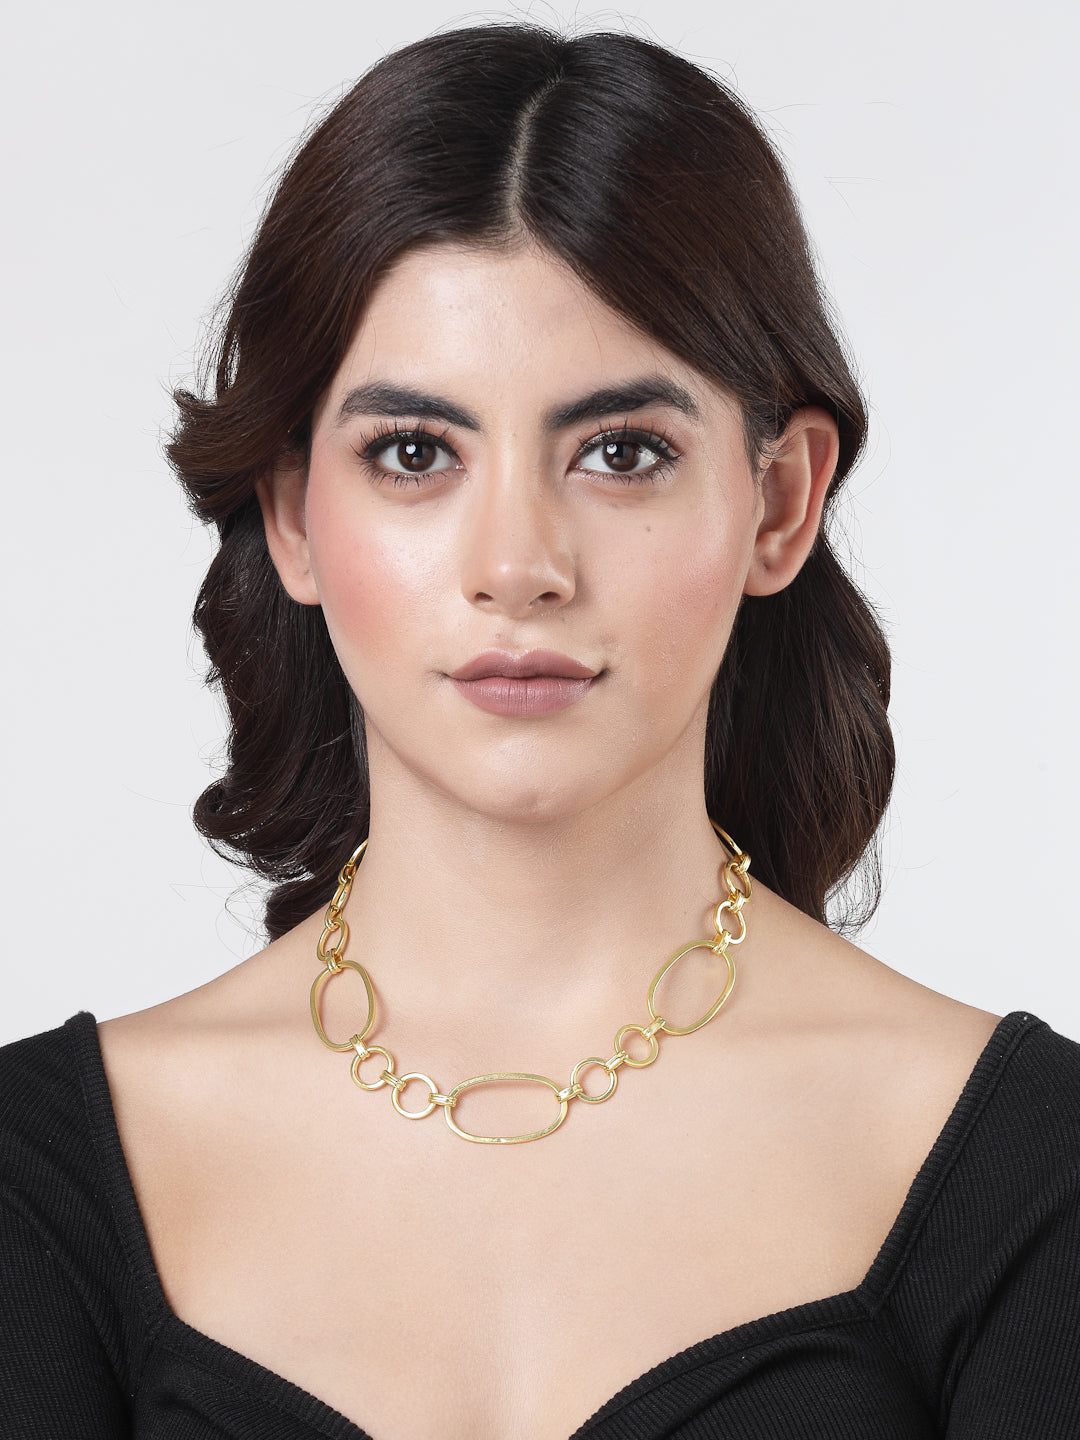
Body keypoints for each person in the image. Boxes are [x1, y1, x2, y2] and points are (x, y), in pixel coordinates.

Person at [2, 21, 1078, 1440]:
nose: (518, 566)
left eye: (621, 453)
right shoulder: (40, 1178)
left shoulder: (1031, 1171)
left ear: (779, 504)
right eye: (414, 454)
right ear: (293, 515)